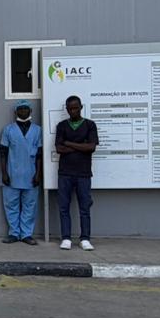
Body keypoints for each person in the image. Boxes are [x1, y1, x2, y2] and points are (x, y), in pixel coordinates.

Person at [54, 95, 99, 251]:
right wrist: (81, 146)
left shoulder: (90, 125)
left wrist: (68, 143)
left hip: (83, 173)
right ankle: (66, 238)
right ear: (67, 109)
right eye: (70, 108)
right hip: (65, 173)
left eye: (76, 108)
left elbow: (91, 147)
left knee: (84, 207)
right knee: (63, 207)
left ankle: (85, 238)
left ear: (81, 107)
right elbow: (59, 149)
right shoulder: (62, 126)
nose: (73, 111)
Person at [0, 100, 43, 245]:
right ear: (15, 112)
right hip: (11, 174)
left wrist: (38, 174)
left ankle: (26, 234)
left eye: (26, 109)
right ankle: (14, 233)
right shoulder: (8, 130)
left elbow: (40, 154)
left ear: (31, 111)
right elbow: (3, 152)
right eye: (20, 109)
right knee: (11, 205)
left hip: (31, 174)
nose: (23, 111)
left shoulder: (37, 130)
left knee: (30, 206)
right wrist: (4, 173)